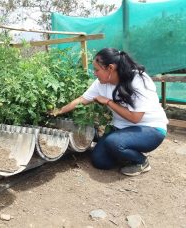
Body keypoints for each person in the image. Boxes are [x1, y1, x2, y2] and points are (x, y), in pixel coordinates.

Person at [50, 47, 168, 176]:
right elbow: (82, 99)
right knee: (100, 161)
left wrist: (108, 102)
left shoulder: (138, 79)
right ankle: (124, 152)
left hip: (150, 129)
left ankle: (140, 161)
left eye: (97, 70)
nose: (94, 73)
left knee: (114, 143)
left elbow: (135, 118)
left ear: (110, 68)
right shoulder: (101, 83)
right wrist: (58, 111)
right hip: (122, 129)